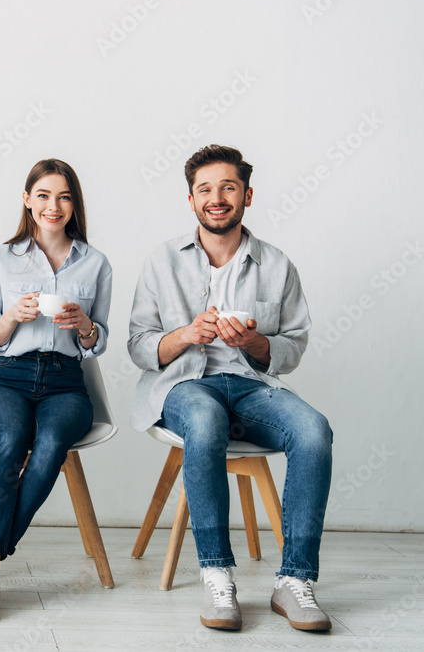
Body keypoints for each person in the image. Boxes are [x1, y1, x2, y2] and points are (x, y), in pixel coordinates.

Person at [128, 144, 333, 632]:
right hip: (185, 385)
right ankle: (217, 574)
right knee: (205, 419)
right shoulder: (162, 260)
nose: (216, 197)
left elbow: (294, 345)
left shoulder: (277, 264)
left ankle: (295, 581)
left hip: (250, 385)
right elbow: (139, 347)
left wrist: (257, 343)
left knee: (313, 431)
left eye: (228, 187)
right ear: (192, 199)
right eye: (205, 189)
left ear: (247, 195)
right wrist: (184, 335)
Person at [0, 159, 112, 627]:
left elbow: (99, 341)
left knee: (52, 444)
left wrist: (86, 326)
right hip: (8, 377)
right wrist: (12, 316)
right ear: (26, 199)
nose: (52, 206)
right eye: (43, 195)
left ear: (74, 203)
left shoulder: (95, 262)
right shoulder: (1, 258)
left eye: (63, 196)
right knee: (12, 441)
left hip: (66, 383)